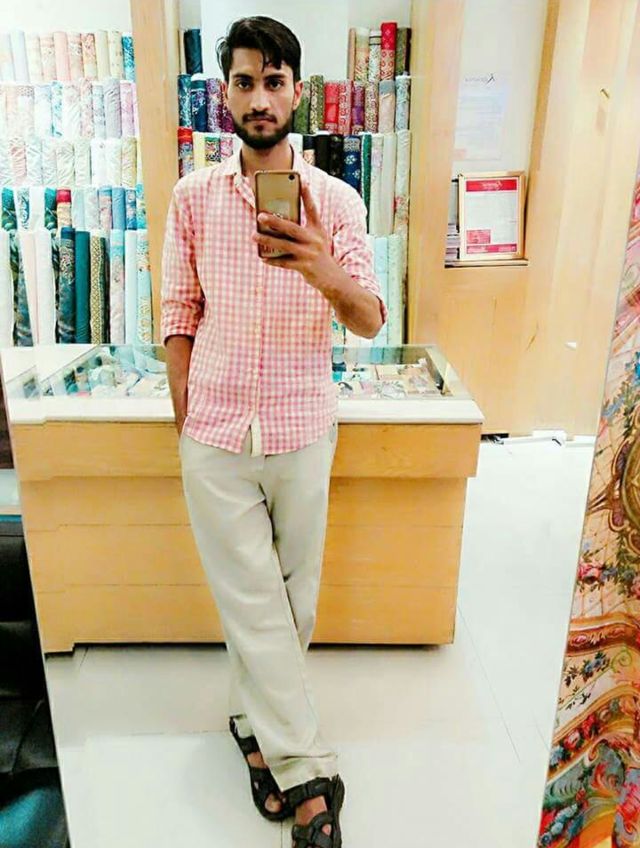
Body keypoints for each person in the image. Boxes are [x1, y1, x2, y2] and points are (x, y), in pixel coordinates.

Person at [161, 15, 387, 848]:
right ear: (225, 93)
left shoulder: (339, 202)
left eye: (274, 81)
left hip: (300, 425)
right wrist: (187, 412)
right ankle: (308, 775)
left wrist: (319, 262)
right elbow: (178, 311)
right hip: (216, 431)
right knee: (254, 603)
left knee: (292, 602)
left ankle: (248, 724)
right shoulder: (191, 198)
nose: (260, 98)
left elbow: (369, 318)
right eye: (245, 81)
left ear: (297, 91)